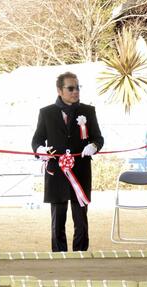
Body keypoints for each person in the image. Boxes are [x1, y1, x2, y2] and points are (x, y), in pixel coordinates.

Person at [31, 72, 104, 252]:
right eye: (70, 88)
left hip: (80, 172)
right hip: (57, 173)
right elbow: (37, 140)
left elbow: (98, 137)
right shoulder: (46, 113)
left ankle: (81, 256)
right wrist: (40, 150)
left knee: (81, 221)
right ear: (59, 90)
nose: (75, 91)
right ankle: (58, 258)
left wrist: (94, 146)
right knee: (58, 221)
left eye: (78, 87)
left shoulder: (88, 111)